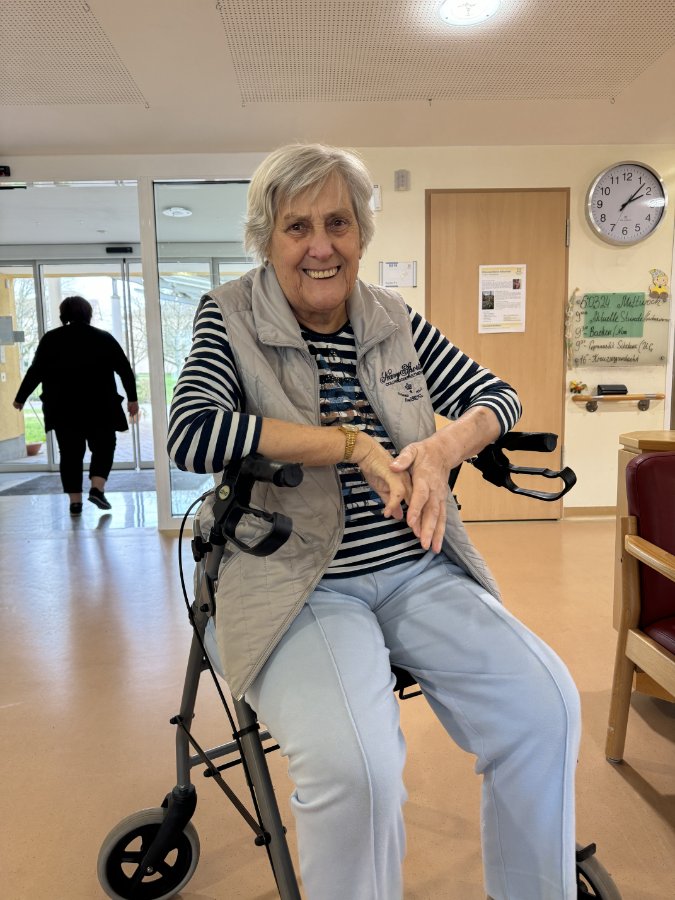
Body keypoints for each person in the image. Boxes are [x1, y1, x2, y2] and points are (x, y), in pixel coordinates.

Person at [168, 144, 581, 900]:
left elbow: (499, 395)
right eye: (296, 227)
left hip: (416, 566)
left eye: (338, 223)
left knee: (546, 708)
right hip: (300, 580)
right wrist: (350, 445)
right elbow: (194, 432)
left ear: (360, 232)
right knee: (357, 770)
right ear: (266, 239)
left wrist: (441, 449)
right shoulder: (228, 315)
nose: (320, 247)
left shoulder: (391, 316)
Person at [13, 295, 138, 515]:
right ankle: (97, 488)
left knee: (70, 453)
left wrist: (21, 398)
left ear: (63, 315)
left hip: (63, 409)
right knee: (104, 446)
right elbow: (124, 369)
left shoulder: (51, 339)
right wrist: (132, 399)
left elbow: (36, 371)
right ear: (88, 313)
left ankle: (75, 502)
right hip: (100, 407)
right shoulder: (103, 338)